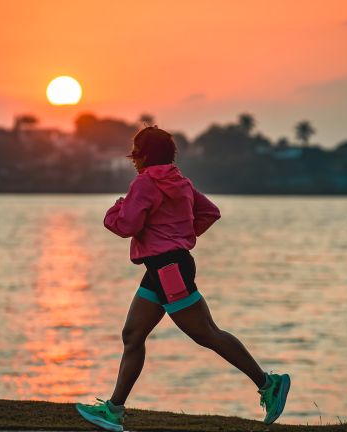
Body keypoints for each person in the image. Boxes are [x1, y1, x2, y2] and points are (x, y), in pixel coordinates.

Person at [75, 126, 290, 432]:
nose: (134, 160)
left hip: (168, 270)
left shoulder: (145, 182)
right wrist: (180, 236)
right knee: (132, 336)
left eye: (136, 154)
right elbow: (209, 212)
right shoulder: (181, 181)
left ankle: (269, 384)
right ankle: (114, 410)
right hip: (165, 269)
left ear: (145, 155)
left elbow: (126, 224)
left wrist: (117, 207)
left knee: (207, 334)